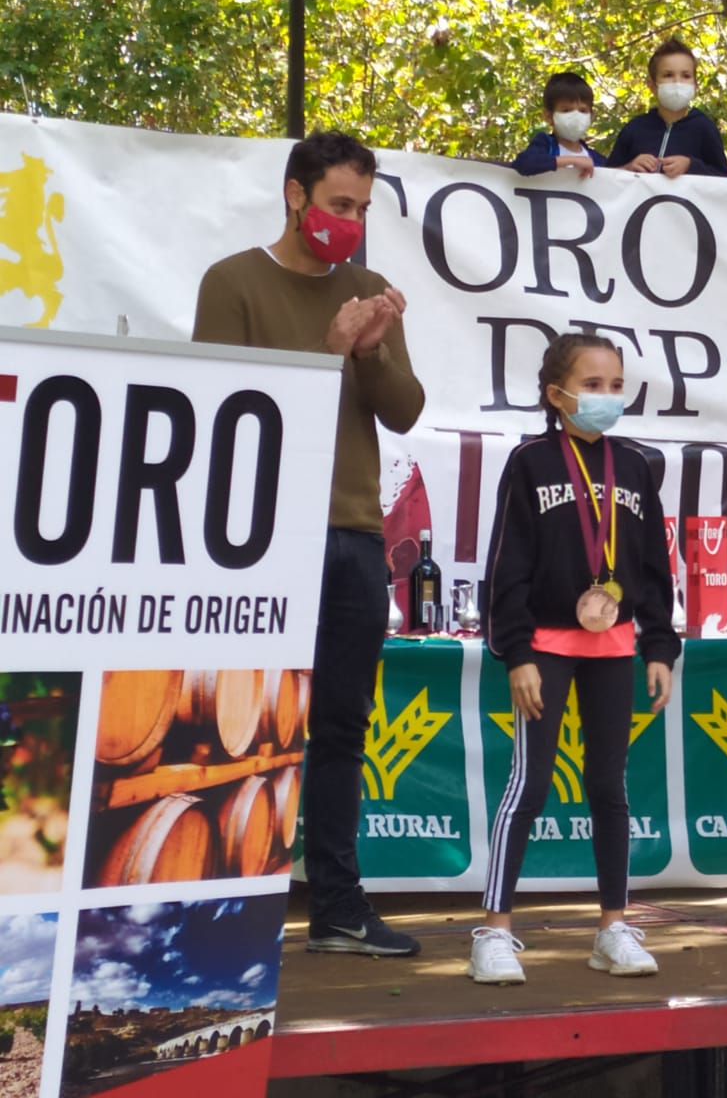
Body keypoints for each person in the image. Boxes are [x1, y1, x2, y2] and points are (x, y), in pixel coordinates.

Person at [192, 131, 426, 956]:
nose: (351, 222)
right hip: (259, 540)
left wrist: (370, 352)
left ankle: (336, 906)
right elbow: (225, 412)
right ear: (295, 196)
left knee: (340, 727)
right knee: (242, 728)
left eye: (362, 209)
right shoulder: (232, 283)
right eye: (338, 205)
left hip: (356, 537)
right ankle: (223, 915)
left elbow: (402, 409)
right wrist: (328, 353)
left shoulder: (365, 289)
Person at [472, 333, 680, 984]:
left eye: (615, 385)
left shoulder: (638, 465)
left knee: (609, 788)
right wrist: (517, 652)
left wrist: (658, 645)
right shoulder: (531, 461)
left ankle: (613, 926)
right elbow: (506, 563)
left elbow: (652, 568)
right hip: (547, 648)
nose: (606, 397)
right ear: (554, 394)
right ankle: (494, 930)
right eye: (591, 386)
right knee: (529, 785)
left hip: (614, 648)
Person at [608, 38, 727, 178]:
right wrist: (629, 168)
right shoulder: (635, 128)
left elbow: (725, 180)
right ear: (652, 85)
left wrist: (691, 165)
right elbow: (606, 179)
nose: (677, 82)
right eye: (668, 75)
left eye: (686, 76)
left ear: (695, 86)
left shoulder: (704, 128)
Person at [510, 71, 608, 177]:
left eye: (583, 111)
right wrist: (572, 161)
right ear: (549, 117)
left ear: (591, 116)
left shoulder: (597, 160)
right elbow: (524, 164)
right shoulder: (545, 144)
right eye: (566, 110)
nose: (576, 116)